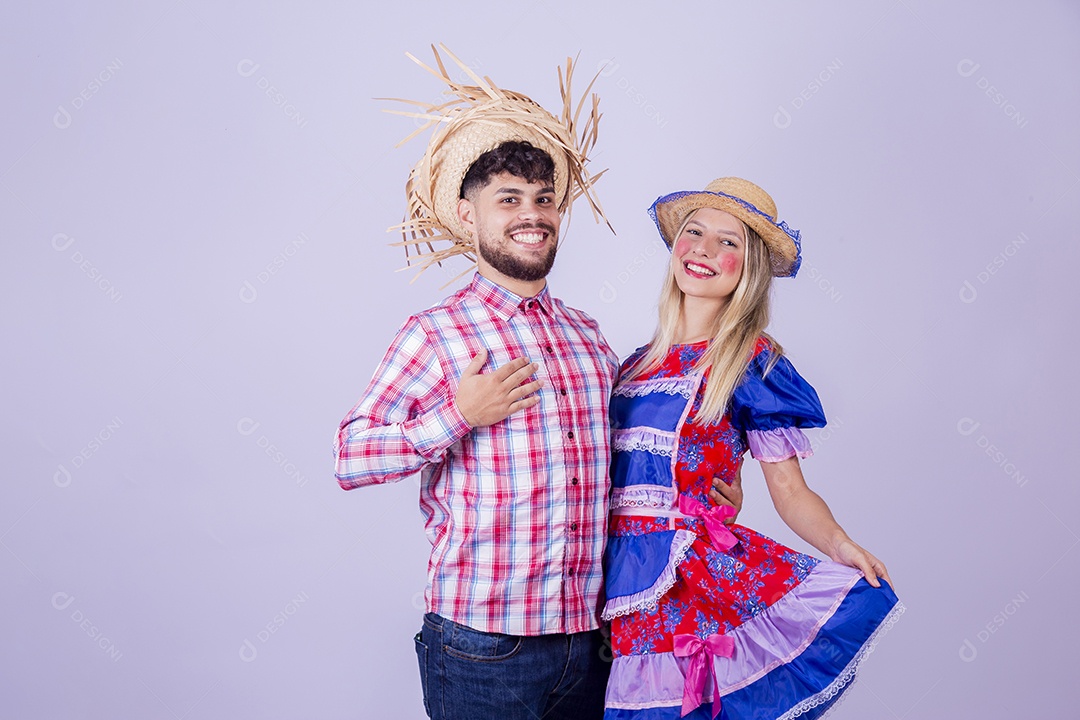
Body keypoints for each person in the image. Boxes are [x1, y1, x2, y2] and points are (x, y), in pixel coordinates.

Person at [333, 46, 739, 720]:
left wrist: (703, 484)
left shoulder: (587, 338)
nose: (533, 213)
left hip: (592, 641)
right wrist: (456, 415)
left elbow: (630, 455)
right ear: (469, 216)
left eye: (545, 199)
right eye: (510, 199)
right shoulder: (436, 333)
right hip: (482, 646)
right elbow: (349, 457)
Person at [601, 177, 904, 719]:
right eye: (693, 233)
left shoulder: (751, 363)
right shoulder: (632, 365)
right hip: (618, 583)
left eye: (728, 242)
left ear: (752, 267)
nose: (704, 250)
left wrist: (840, 544)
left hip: (693, 583)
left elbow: (789, 490)